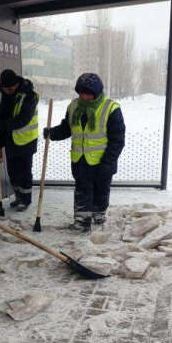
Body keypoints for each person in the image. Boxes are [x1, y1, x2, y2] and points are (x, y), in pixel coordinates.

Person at [44, 73, 125, 232]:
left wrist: (108, 162)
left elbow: (118, 140)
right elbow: (67, 128)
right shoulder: (74, 106)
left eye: (88, 93)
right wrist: (53, 133)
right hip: (80, 160)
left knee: (101, 190)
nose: (84, 97)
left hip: (103, 161)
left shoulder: (111, 109)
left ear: (97, 92)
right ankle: (82, 221)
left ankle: (99, 211)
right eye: (81, 93)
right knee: (82, 190)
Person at [0, 69, 39, 212]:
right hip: (9, 139)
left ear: (17, 84)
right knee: (12, 171)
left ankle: (26, 199)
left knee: (24, 171)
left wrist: (1, 125)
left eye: (10, 89)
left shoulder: (29, 95)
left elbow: (23, 119)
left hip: (25, 140)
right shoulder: (0, 92)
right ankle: (18, 196)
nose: (8, 92)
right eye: (5, 89)